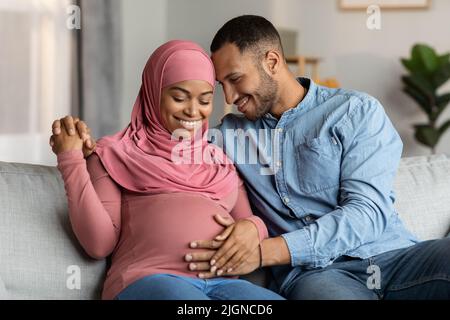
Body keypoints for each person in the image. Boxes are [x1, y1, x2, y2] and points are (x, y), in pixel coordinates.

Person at [52, 16, 450, 300]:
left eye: (234, 80)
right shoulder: (226, 136)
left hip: (395, 256)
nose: (227, 99)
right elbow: (163, 141)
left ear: (272, 62)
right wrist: (87, 150)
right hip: (317, 276)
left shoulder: (354, 112)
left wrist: (265, 247)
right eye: (219, 87)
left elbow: (368, 213)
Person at [50, 40, 284, 300]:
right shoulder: (113, 154)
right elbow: (98, 243)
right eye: (179, 97)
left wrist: (254, 227)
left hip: (223, 284)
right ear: (153, 93)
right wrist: (70, 159)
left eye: (205, 100)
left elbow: (251, 224)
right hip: (147, 279)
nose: (193, 111)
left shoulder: (220, 161)